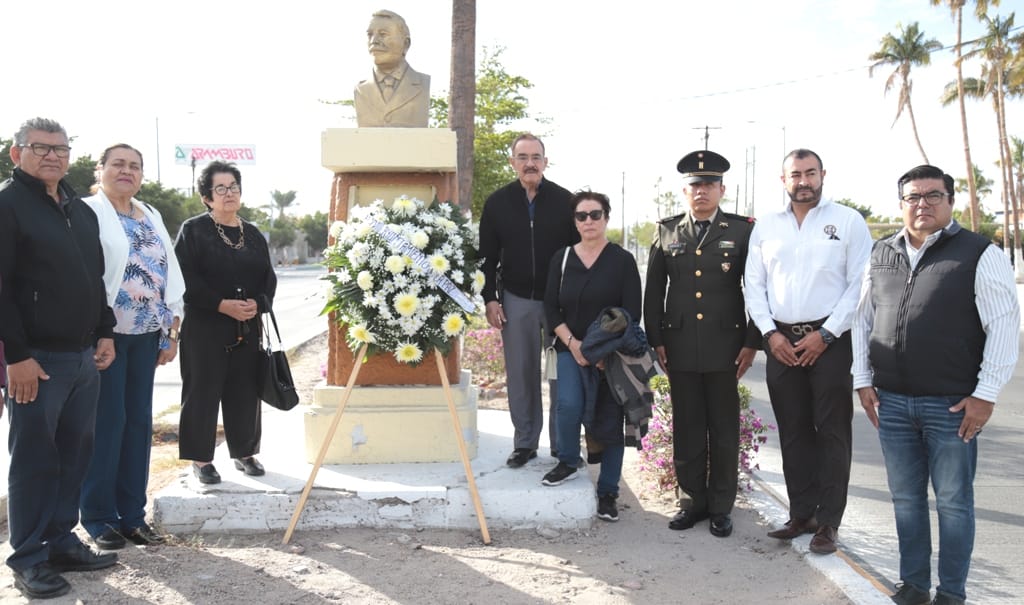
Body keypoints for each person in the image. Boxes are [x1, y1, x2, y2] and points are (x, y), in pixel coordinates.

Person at [853, 165, 1019, 605]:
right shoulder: (881, 253)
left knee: (953, 504)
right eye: (913, 197)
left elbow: (1004, 326)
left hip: (951, 406)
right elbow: (862, 319)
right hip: (892, 403)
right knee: (906, 500)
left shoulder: (980, 253)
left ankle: (951, 593)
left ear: (950, 200)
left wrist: (985, 395)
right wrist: (863, 379)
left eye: (933, 195)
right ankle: (913, 585)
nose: (922, 204)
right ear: (902, 203)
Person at [0, 117, 118, 599]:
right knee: (33, 460)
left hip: (83, 356)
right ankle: (28, 558)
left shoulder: (80, 210)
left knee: (74, 456)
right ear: (17, 153)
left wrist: (105, 331)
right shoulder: (7, 206)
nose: (52, 156)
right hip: (37, 361)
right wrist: (18, 357)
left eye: (60, 149)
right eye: (40, 148)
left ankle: (61, 540)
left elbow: (95, 277)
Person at [744, 148, 872, 555]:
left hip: (830, 342)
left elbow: (861, 284)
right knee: (794, 431)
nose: (803, 181)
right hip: (781, 343)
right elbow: (753, 285)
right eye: (795, 174)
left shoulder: (848, 221)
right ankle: (801, 514)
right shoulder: (766, 226)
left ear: (823, 175)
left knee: (832, 433)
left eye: (810, 173)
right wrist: (770, 335)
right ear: (784, 180)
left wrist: (828, 334)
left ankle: (829, 523)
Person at [644, 150, 760, 538]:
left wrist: (751, 342)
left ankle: (721, 506)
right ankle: (691, 501)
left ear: (721, 189)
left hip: (726, 346)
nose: (701, 191)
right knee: (688, 426)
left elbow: (756, 290)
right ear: (684, 191)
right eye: (695, 185)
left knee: (724, 428)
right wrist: (656, 338)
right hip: (678, 345)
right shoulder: (667, 230)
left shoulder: (742, 231)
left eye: (709, 185)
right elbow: (654, 292)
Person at [79, 144, 185, 550]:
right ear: (100, 169)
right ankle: (99, 518)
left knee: (139, 425)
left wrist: (171, 332)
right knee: (107, 423)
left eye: (134, 166)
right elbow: (86, 275)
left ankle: (132, 516)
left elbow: (168, 275)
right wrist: (95, 332)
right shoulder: (88, 211)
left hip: (147, 335)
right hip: (105, 337)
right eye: (118, 164)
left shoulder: (150, 214)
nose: (126, 171)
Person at [541, 191, 643, 522]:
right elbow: (550, 306)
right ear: (575, 221)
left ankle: (608, 492)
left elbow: (631, 312)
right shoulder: (563, 258)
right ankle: (569, 461)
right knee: (568, 405)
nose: (588, 221)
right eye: (582, 216)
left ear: (606, 218)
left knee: (610, 419)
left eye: (595, 214)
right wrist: (574, 344)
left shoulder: (622, 260)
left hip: (611, 355)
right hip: (570, 347)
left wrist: (601, 352)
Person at [174, 161, 276, 485]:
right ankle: (201, 459)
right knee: (202, 392)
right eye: (221, 188)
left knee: (245, 391)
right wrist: (221, 304)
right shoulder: (193, 231)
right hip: (205, 328)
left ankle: (245, 452)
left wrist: (256, 304)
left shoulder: (254, 234)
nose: (229, 193)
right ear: (206, 197)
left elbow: (268, 279)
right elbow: (183, 278)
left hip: (246, 327)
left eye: (233, 187)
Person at [478, 133, 577, 467]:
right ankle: (524, 443)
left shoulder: (566, 202)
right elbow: (487, 258)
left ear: (545, 162)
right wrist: (491, 298)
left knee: (562, 375)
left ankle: (563, 447)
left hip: (559, 303)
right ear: (513, 162)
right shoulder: (497, 203)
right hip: (515, 298)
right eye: (523, 157)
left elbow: (579, 254)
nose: (530, 163)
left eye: (536, 157)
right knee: (520, 374)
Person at [353, 9, 430, 128]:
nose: (374, 41)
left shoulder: (423, 84)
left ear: (406, 44)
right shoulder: (361, 89)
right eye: (370, 35)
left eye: (383, 34)